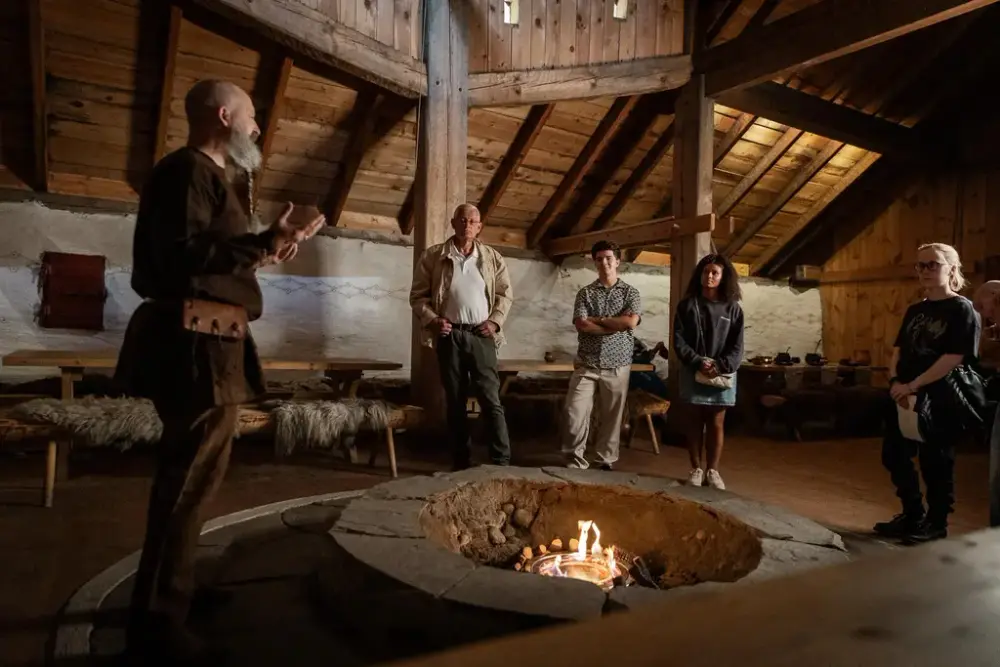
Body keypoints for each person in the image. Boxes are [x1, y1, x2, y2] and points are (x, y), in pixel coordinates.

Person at [115, 79, 325, 663]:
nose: (257, 129)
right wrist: (261, 241)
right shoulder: (187, 171)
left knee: (198, 478)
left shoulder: (208, 178)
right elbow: (182, 257)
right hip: (195, 343)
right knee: (186, 482)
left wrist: (269, 248)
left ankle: (174, 593)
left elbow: (211, 259)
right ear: (225, 114)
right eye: (252, 118)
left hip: (210, 339)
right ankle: (157, 619)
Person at [874, 243, 981, 544]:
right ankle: (912, 514)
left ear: (952, 268)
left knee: (936, 461)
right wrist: (896, 381)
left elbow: (954, 356)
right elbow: (898, 349)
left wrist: (914, 385)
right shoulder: (915, 310)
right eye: (921, 265)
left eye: (933, 264)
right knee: (894, 455)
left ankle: (936, 522)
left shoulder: (962, 309)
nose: (925, 271)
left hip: (940, 396)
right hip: (903, 393)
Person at [409, 204, 514, 470]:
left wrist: (494, 322)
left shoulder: (492, 258)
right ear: (454, 223)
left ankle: (501, 460)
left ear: (479, 227)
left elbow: (505, 294)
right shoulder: (433, 256)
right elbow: (417, 296)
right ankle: (461, 462)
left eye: (473, 221)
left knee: (491, 399)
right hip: (450, 335)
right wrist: (433, 320)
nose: (467, 225)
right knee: (455, 401)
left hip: (481, 335)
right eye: (463, 220)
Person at [562, 240, 641, 471]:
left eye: (608, 258)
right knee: (573, 413)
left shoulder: (630, 293)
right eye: (599, 258)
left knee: (612, 417)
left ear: (617, 261)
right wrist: (615, 324)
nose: (604, 262)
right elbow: (582, 325)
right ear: (594, 262)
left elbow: (631, 322)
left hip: (618, 365)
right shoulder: (585, 293)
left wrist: (599, 320)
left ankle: (604, 460)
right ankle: (575, 460)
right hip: (587, 363)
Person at [672, 253, 744, 490]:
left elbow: (737, 346)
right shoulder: (687, 306)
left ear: (724, 277)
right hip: (694, 370)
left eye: (715, 273)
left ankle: (713, 471)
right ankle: (695, 468)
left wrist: (720, 365)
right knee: (692, 421)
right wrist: (697, 361)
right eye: (706, 272)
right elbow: (679, 340)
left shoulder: (733, 309)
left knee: (716, 423)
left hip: (720, 374)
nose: (709, 276)